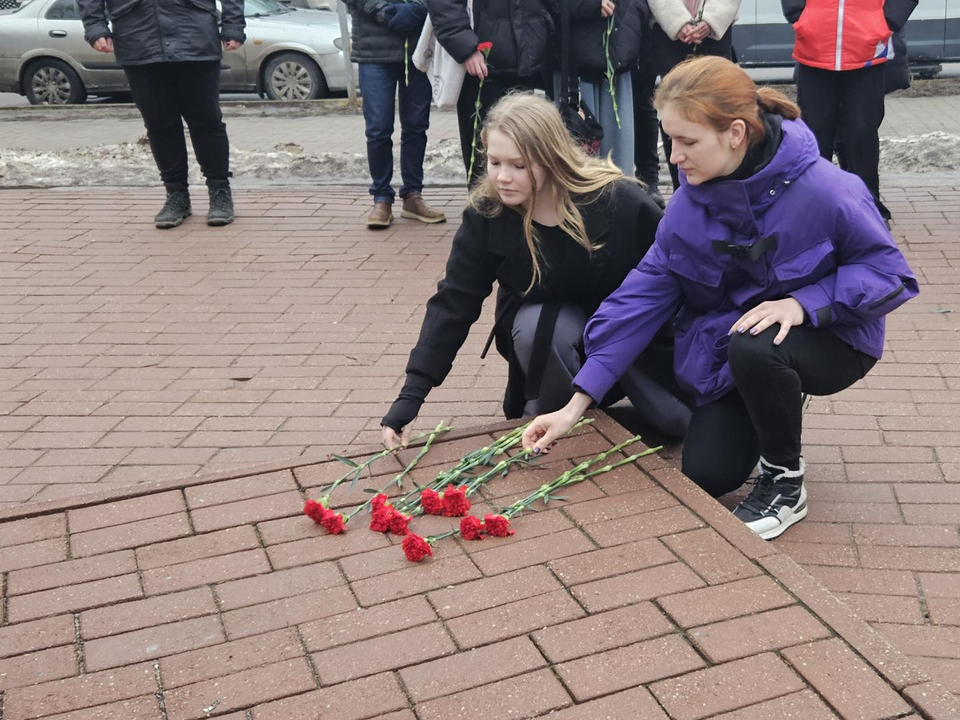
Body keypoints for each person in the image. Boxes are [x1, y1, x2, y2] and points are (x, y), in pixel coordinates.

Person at [521, 56, 918, 540]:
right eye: (669, 138)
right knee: (707, 473)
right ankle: (771, 396)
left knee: (757, 345)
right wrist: (575, 403)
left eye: (687, 141)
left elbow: (890, 274)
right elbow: (640, 299)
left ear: (735, 133)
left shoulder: (829, 190)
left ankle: (785, 483)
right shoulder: (689, 204)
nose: (673, 156)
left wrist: (803, 303)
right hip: (738, 346)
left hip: (834, 338)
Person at [381, 93, 690, 447]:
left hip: (629, 338)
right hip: (551, 342)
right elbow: (453, 303)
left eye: (518, 165)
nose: (502, 177)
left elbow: (679, 279)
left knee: (679, 424)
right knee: (538, 322)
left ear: (550, 159)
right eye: (494, 162)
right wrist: (410, 398)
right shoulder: (487, 216)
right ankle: (549, 415)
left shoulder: (618, 202)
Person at [78, 0, 245, 229]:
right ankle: (176, 195)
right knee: (159, 124)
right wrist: (96, 27)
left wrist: (233, 25)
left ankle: (220, 191)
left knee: (206, 120)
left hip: (194, 33)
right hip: (138, 36)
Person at [781, 0, 918, 227]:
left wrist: (887, 21)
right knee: (814, 135)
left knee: (862, 134)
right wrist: (800, 17)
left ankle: (868, 206)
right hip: (815, 48)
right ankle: (813, 205)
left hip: (868, 50)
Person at [342, 0, 448, 228]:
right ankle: (381, 197)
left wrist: (419, 8)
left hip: (418, 44)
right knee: (378, 128)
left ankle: (412, 195)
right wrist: (381, 10)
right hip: (374, 47)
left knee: (416, 125)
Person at [427, 0, 554, 184]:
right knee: (483, 152)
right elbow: (445, 5)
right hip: (482, 65)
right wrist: (466, 48)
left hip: (530, 58)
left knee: (523, 149)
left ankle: (520, 209)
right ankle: (483, 209)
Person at [647, 0, 741, 190]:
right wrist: (678, 22)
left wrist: (711, 20)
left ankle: (723, 181)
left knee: (718, 111)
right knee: (674, 109)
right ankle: (681, 187)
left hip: (715, 35)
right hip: (669, 35)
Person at [556, 0, 645, 172]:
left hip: (617, 53)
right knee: (580, 156)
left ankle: (620, 193)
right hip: (575, 65)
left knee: (618, 156)